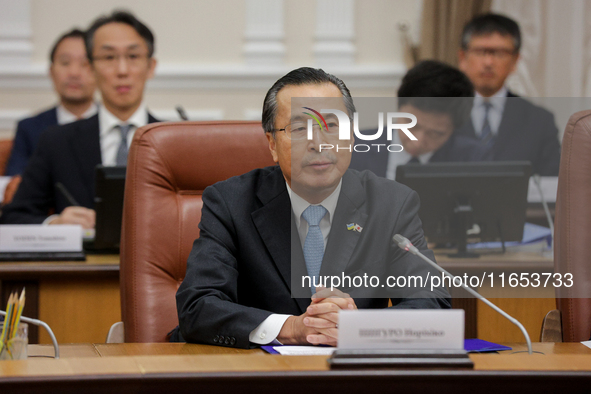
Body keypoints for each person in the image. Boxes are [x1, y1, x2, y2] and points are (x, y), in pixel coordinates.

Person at [175, 67, 450, 349]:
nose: (318, 143)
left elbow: (432, 303)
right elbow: (199, 307)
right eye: (298, 128)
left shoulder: (391, 203)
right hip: (260, 380)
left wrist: (359, 327)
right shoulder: (231, 202)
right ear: (272, 143)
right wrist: (292, 328)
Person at [0, 11, 159, 227]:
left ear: (151, 66)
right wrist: (56, 224)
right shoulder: (56, 141)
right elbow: (14, 217)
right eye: (109, 57)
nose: (122, 70)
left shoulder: (174, 140)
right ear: (91, 68)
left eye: (133, 56)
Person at [457, 13, 561, 176]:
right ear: (463, 57)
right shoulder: (441, 113)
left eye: (499, 53)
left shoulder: (540, 121)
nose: (488, 63)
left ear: (515, 61)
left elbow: (553, 185)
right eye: (480, 51)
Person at [3, 29, 97, 203]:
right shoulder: (30, 128)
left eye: (85, 63)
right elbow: (15, 185)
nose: (74, 73)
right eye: (65, 62)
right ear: (51, 72)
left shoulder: (115, 126)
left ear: (99, 71)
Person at [349, 60, 482, 179]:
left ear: (454, 129)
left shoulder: (473, 160)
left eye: (435, 134)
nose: (417, 142)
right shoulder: (351, 149)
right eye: (411, 126)